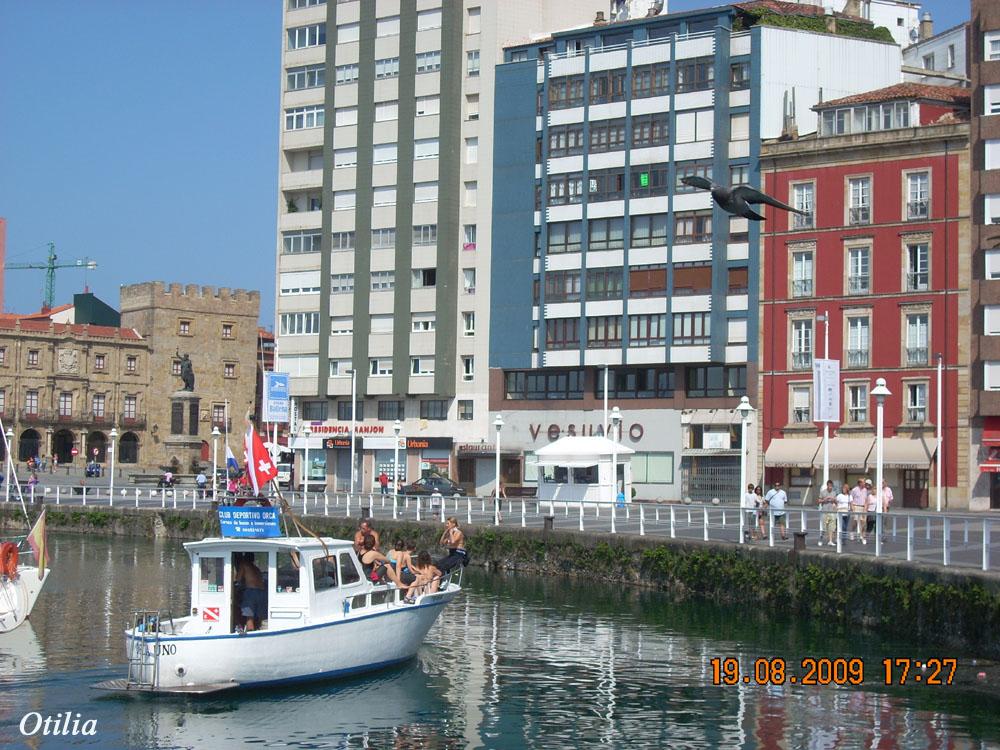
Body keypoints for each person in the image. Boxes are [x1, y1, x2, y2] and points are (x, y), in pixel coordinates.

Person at [235, 553, 267, 632]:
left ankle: (250, 631)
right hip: (262, 592)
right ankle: (260, 630)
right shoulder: (256, 568)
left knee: (249, 616)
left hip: (251, 591)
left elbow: (238, 579)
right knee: (260, 616)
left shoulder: (244, 565)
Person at [818, 480, 838, 546]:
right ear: (827, 486)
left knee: (831, 527)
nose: (830, 487)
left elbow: (836, 501)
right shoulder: (823, 492)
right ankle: (820, 539)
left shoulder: (834, 492)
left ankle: (830, 541)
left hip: (832, 511)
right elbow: (818, 501)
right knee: (824, 527)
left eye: (831, 486)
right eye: (829, 486)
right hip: (825, 511)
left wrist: (834, 500)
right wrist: (824, 500)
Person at [849, 478, 868, 544]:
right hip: (856, 506)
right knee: (856, 521)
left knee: (864, 522)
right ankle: (852, 532)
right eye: (863, 482)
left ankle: (862, 536)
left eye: (864, 482)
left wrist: (865, 508)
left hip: (863, 507)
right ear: (859, 483)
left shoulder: (865, 490)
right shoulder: (854, 490)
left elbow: (866, 499)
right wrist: (852, 507)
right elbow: (851, 498)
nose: (864, 483)